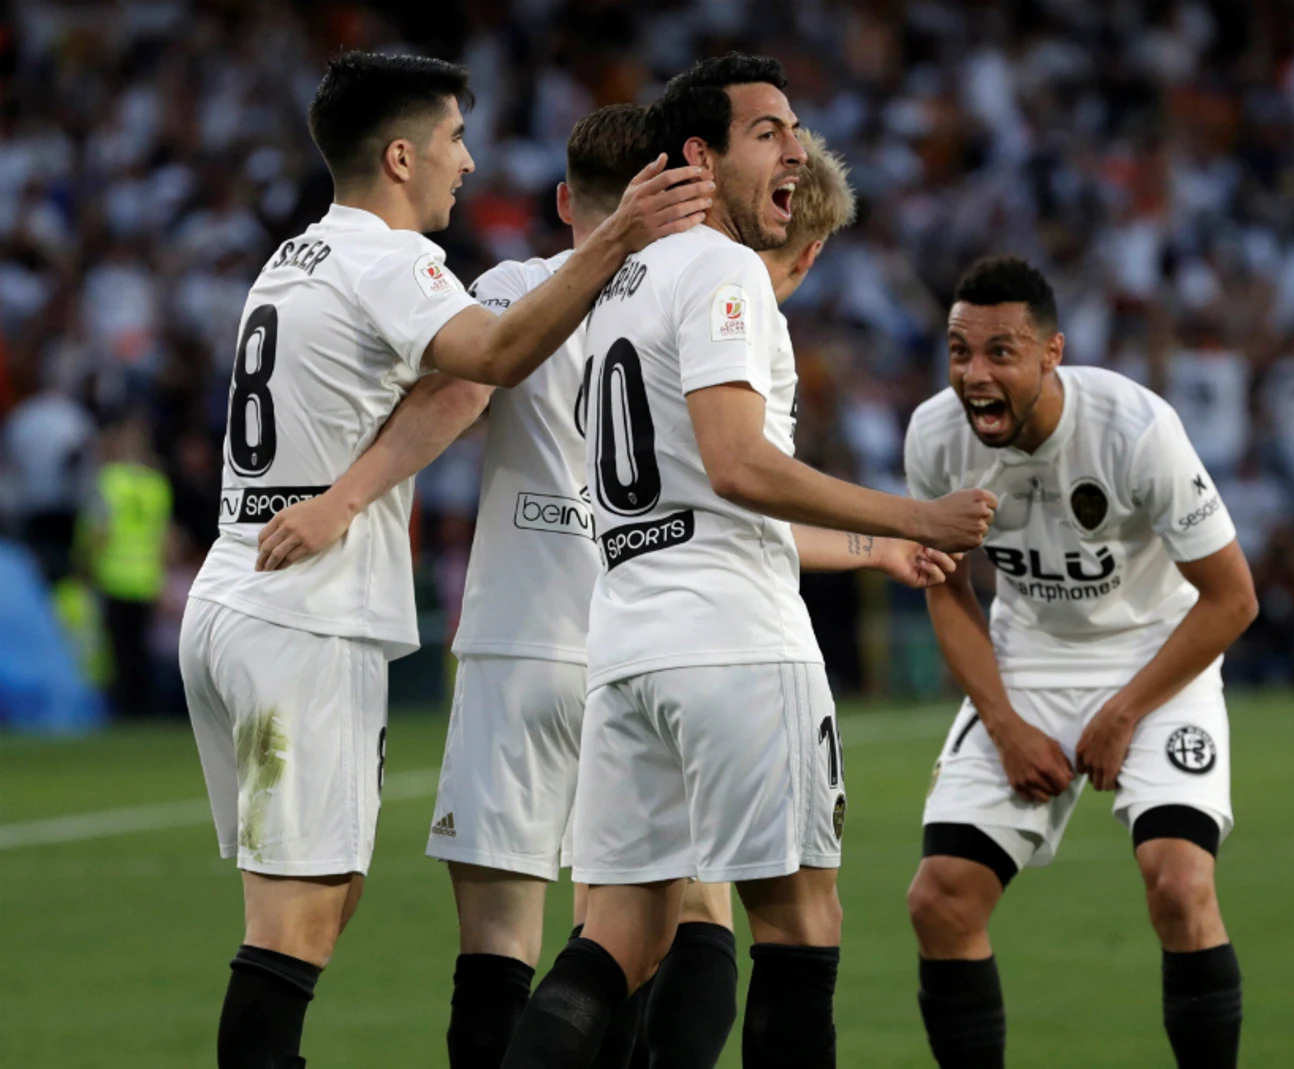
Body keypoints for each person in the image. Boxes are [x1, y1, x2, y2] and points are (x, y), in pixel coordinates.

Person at [180, 51, 713, 1069]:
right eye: (453, 140)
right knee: (291, 929)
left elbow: (452, 392)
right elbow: (499, 359)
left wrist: (344, 493)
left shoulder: (294, 256)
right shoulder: (396, 263)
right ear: (398, 155)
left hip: (238, 582)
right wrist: (621, 240)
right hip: (308, 615)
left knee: (322, 901)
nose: (467, 164)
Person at [499, 53, 995, 1069]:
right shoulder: (722, 272)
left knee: (616, 939)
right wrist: (919, 515)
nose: (796, 147)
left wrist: (876, 543)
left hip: (630, 642)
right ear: (696, 155)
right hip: (733, 639)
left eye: (796, 128)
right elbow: (736, 464)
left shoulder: (610, 286)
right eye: (767, 130)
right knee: (800, 924)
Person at [901, 256, 1257, 1069]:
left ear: (1051, 352)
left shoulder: (1135, 429)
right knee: (940, 899)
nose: (974, 374)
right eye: (959, 352)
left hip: (1156, 659)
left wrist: (1127, 710)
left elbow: (1232, 598)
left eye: (1000, 352)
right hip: (1026, 661)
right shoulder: (933, 437)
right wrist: (1004, 721)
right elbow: (947, 593)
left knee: (1180, 885)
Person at [79, 412, 171, 717]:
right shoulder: (156, 484)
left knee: (118, 652)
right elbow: (164, 539)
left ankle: (121, 713)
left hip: (114, 575)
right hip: (146, 577)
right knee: (141, 652)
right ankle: (142, 712)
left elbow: (98, 533)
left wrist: (85, 565)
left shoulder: (109, 482)